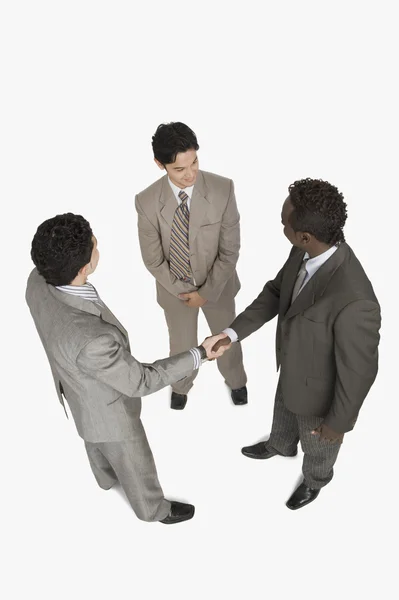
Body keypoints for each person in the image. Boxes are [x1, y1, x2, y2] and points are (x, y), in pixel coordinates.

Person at [26, 213, 229, 524]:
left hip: (76, 389)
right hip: (111, 411)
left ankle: (105, 479)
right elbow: (141, 381)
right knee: (135, 460)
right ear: (85, 267)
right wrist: (200, 353)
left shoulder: (37, 279)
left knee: (92, 437)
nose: (97, 244)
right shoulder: (93, 339)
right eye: (94, 242)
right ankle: (153, 510)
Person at [213, 178, 381, 510]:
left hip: (321, 398)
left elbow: (360, 372)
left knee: (318, 446)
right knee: (283, 412)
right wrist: (231, 334)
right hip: (292, 370)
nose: (282, 229)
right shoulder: (303, 249)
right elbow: (277, 292)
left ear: (304, 235)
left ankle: (316, 479)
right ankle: (280, 444)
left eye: (283, 224)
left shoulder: (355, 300)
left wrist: (338, 423)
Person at [135, 122, 247, 410]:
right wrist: (186, 293)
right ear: (160, 165)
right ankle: (181, 386)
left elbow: (230, 250)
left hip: (218, 286)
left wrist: (206, 293)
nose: (190, 174)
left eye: (194, 162)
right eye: (179, 169)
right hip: (176, 292)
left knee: (227, 341)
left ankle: (236, 382)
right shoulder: (146, 202)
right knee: (182, 347)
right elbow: (153, 258)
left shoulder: (223, 189)